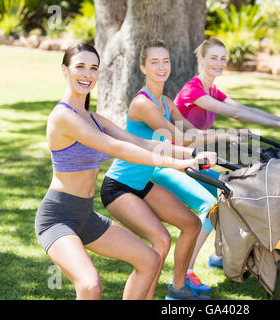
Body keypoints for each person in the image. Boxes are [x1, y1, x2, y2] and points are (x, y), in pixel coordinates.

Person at [35, 43, 203, 300]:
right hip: (57, 217)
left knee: (149, 260)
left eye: (93, 68)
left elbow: (142, 142)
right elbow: (115, 147)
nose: (87, 74)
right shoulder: (62, 116)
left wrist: (192, 155)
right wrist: (175, 164)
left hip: (85, 215)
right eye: (80, 67)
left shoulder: (94, 118)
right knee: (90, 285)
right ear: (64, 70)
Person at [158, 37, 280, 290]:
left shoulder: (211, 90)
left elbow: (241, 107)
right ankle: (186, 274)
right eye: (213, 58)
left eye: (223, 58)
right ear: (201, 59)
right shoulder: (192, 91)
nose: (219, 63)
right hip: (175, 159)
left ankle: (219, 255)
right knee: (211, 205)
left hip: (193, 157)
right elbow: (236, 114)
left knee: (223, 199)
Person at [100, 40, 219, 300]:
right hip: (119, 186)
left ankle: (177, 289)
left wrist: (226, 136)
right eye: (154, 62)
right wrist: (196, 152)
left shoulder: (165, 101)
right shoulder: (142, 104)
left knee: (191, 224)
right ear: (143, 67)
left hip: (143, 184)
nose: (161, 66)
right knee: (162, 240)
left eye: (165, 60)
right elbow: (176, 137)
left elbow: (191, 132)